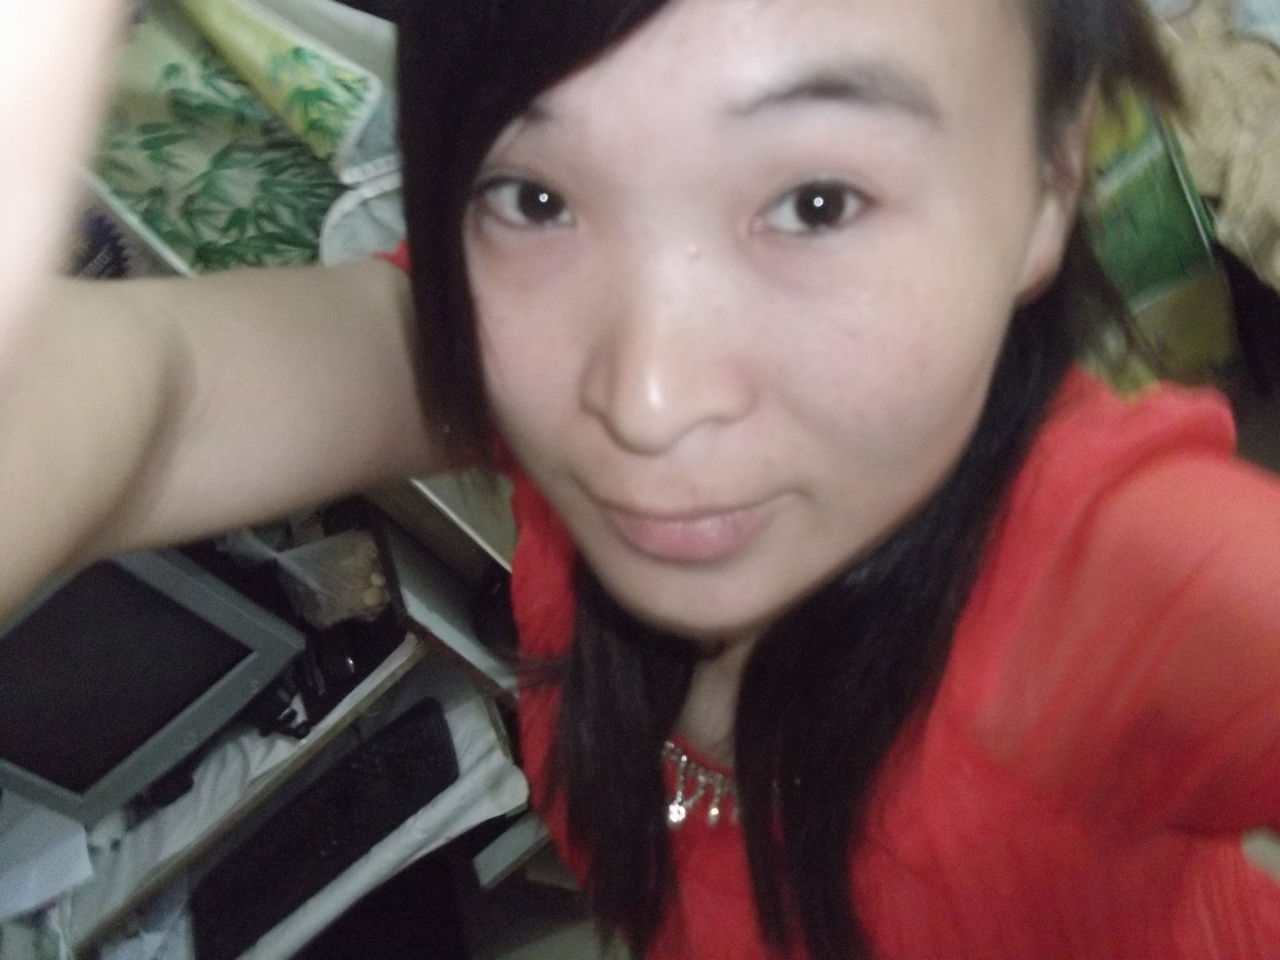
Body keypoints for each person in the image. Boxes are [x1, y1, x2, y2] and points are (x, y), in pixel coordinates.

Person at [3, 0, 1279, 958]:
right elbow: (161, 394)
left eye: (817, 202)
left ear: (1049, 182)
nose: (642, 402)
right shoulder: (517, 352)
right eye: (535, 195)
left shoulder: (1131, 584)